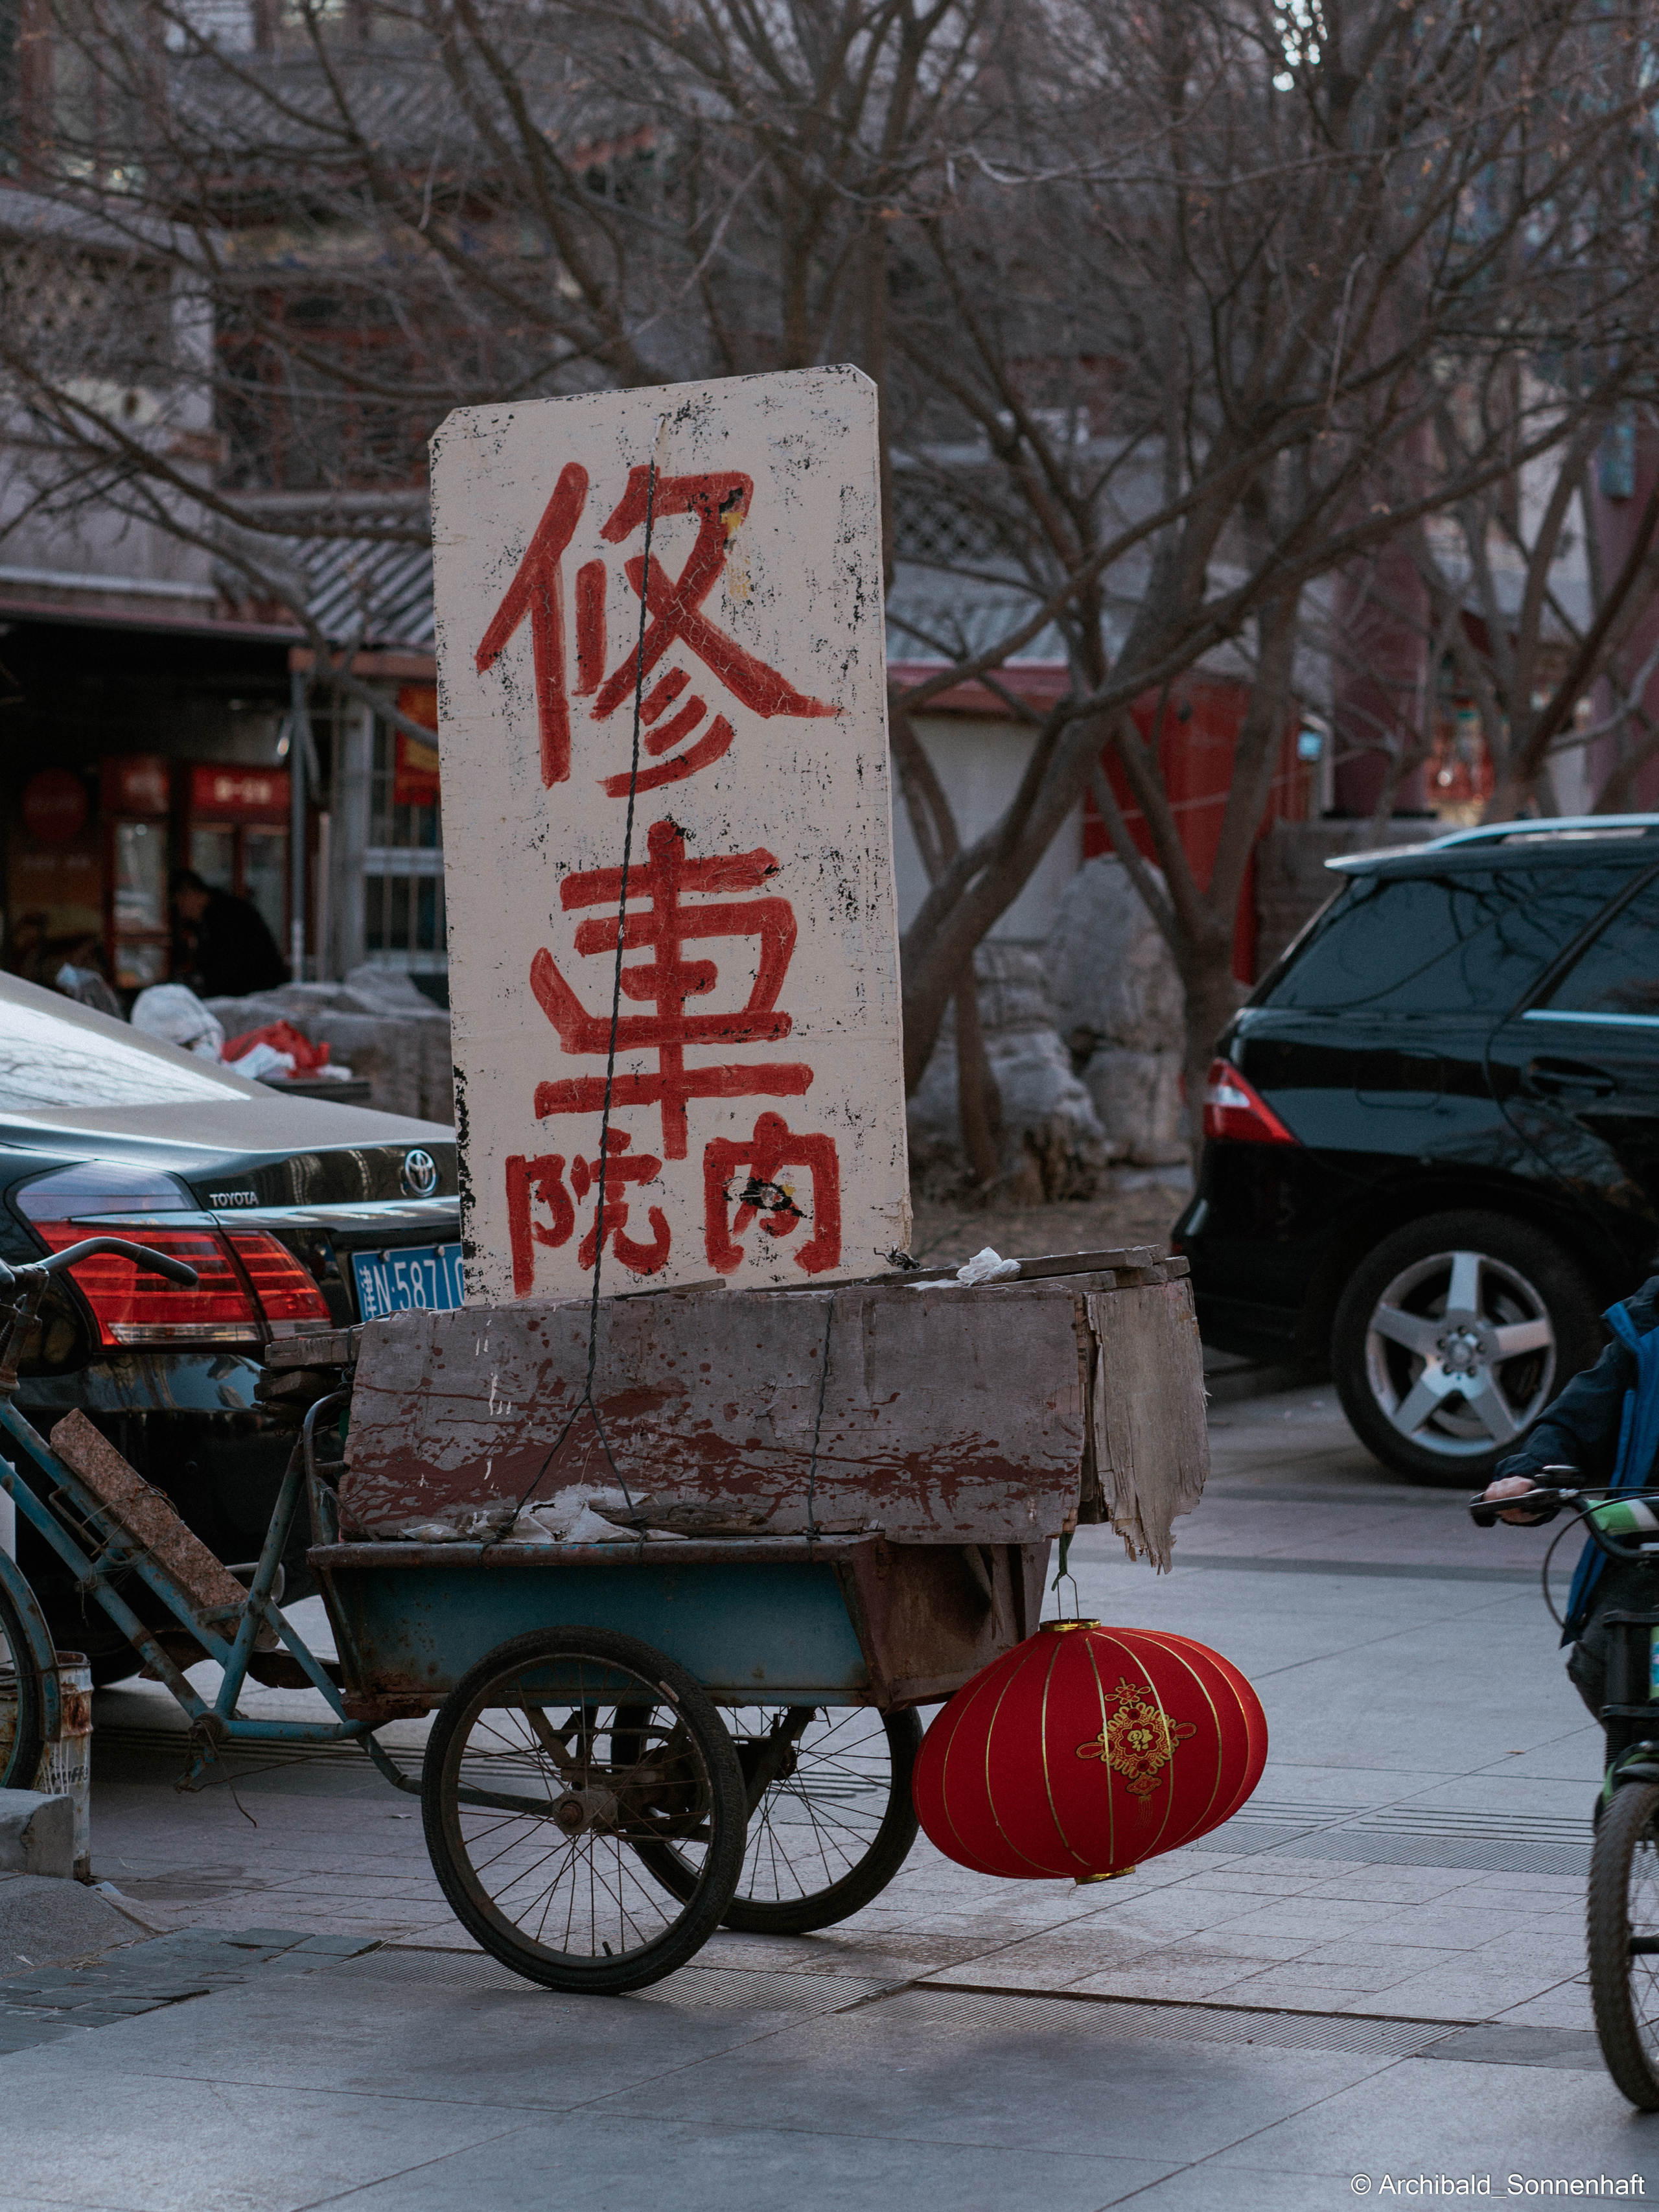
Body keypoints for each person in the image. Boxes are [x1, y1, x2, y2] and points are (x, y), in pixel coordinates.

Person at [1481, 1274, 1659, 1715]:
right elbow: (1575, 1421)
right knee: (1604, 1657)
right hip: (1649, 1554)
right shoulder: (1648, 1328)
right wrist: (1529, 1476)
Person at [170, 870, 290, 1000]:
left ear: (190, 895)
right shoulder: (208, 920)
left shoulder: (228, 917)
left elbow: (230, 965)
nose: (182, 912)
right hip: (247, 992)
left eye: (180, 905)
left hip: (255, 992)